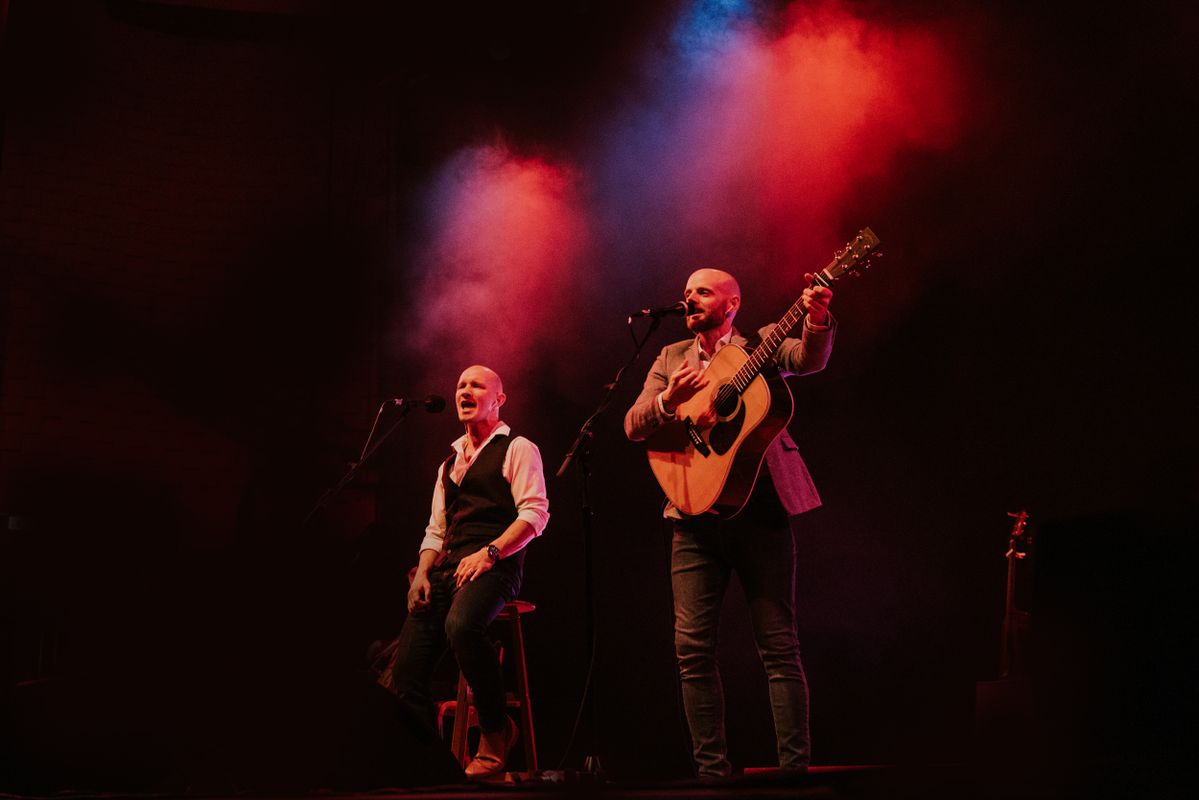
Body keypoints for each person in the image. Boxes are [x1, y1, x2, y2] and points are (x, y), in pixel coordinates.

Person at [623, 268, 835, 778]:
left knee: (779, 647)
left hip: (761, 512)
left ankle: (794, 774)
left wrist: (818, 317)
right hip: (693, 517)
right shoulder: (670, 358)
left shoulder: (761, 344)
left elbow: (807, 360)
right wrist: (669, 401)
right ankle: (711, 775)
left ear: (732, 303)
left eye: (701, 291)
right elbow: (633, 424)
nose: (687, 296)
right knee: (691, 651)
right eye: (686, 290)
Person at [391, 364, 549, 780]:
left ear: (499, 399)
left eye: (476, 385)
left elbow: (535, 514)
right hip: (448, 569)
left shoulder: (517, 448)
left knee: (462, 625)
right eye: (460, 384)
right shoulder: (448, 464)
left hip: (497, 565)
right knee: (406, 671)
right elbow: (436, 530)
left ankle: (497, 733)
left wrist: (490, 553)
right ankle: (423, 761)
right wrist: (423, 572)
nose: (465, 390)